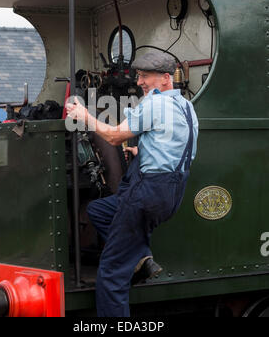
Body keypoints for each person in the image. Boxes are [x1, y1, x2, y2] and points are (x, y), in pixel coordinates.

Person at [66, 51, 199, 317]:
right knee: (99, 211)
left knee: (111, 274)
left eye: (145, 76)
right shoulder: (186, 106)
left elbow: (115, 137)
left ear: (164, 79)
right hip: (171, 193)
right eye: (139, 75)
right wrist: (143, 152)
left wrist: (84, 116)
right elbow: (181, 148)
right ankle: (141, 258)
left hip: (146, 193)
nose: (140, 82)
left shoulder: (154, 104)